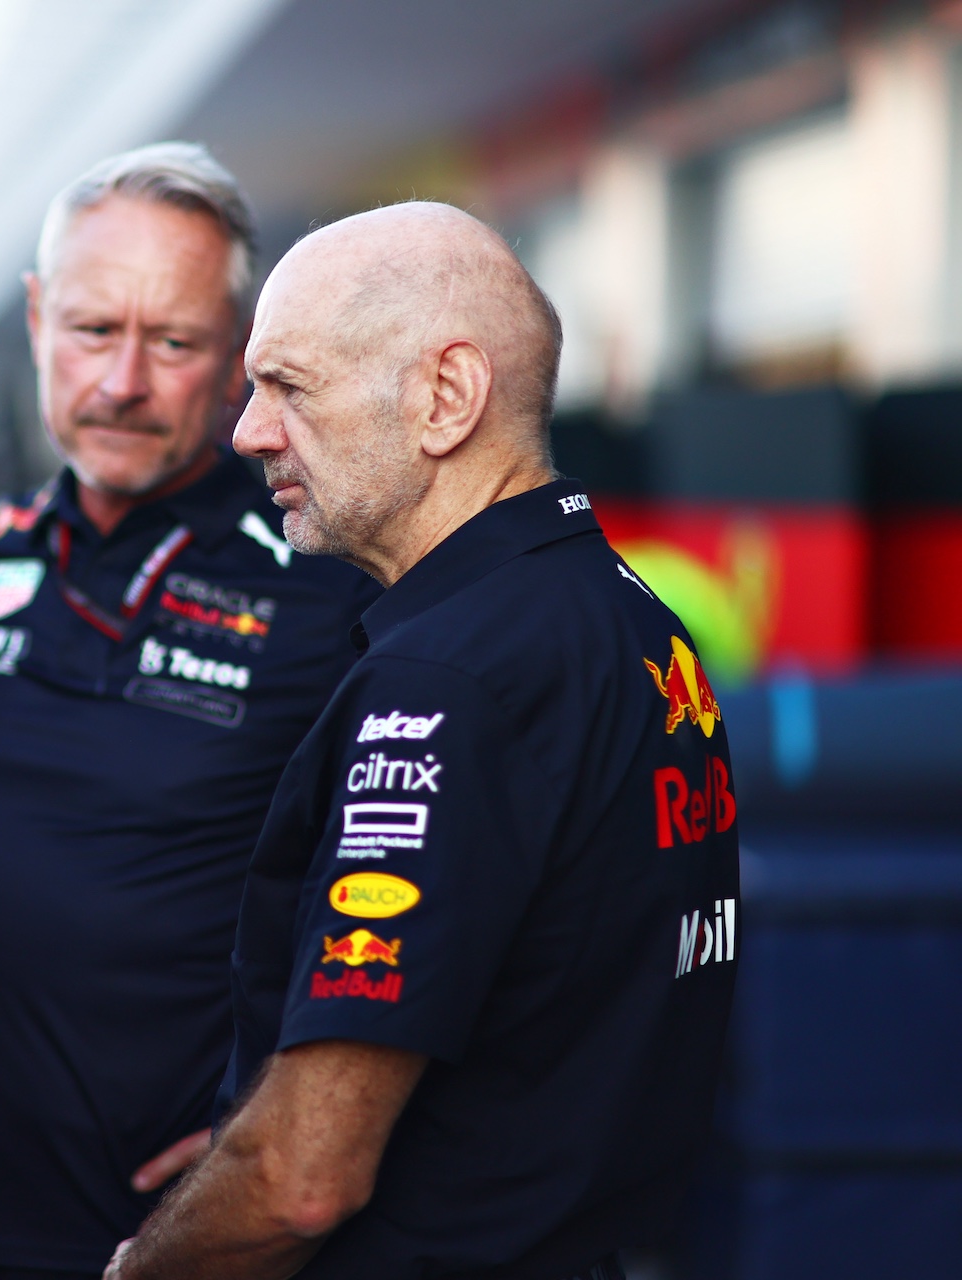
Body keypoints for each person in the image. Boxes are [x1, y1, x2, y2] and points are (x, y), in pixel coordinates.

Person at [105, 202, 740, 1280]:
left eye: (289, 386)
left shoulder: (446, 677)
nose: (248, 430)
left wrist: (147, 1264)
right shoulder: (631, 616)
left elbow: (304, 1177)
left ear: (446, 397)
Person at [0, 143, 380, 1279]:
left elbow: (428, 894)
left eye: (171, 341)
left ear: (238, 361)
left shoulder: (331, 580)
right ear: (35, 319)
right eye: (90, 329)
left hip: (190, 1243)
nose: (122, 380)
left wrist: (284, 1123)